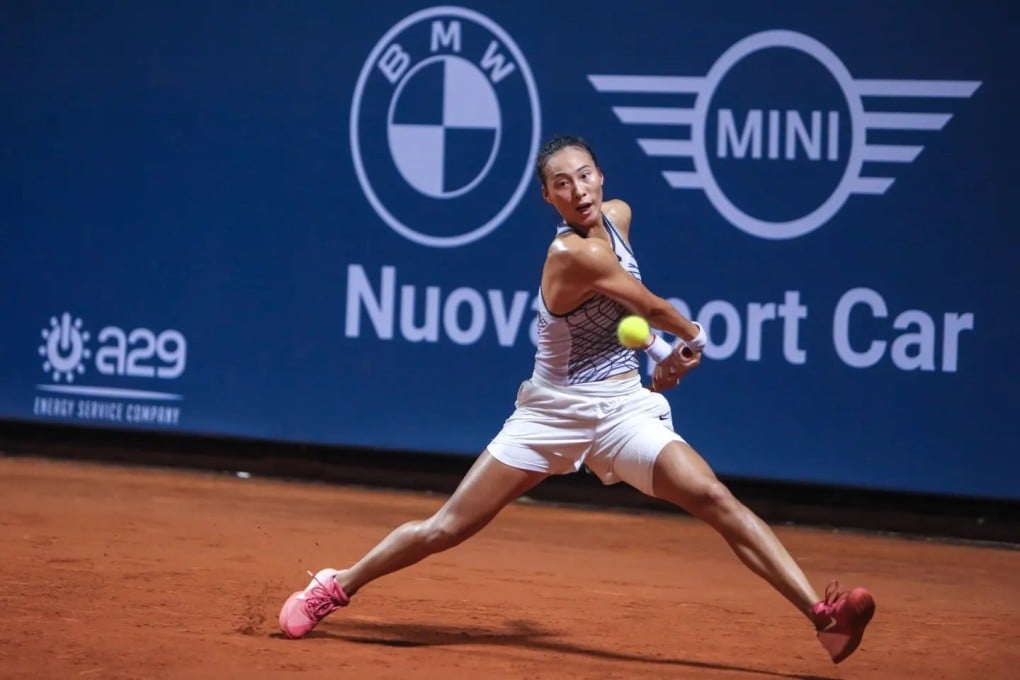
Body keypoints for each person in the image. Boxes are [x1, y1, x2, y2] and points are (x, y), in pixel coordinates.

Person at [278, 134, 875, 664]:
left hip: (621, 408)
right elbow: (651, 309)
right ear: (548, 198)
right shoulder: (570, 253)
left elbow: (625, 319)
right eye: (561, 183)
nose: (578, 189)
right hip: (550, 413)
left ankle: (822, 618)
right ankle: (336, 585)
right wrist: (692, 340)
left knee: (712, 496)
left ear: (601, 177)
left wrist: (665, 360)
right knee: (448, 527)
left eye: (585, 174)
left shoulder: (619, 217)